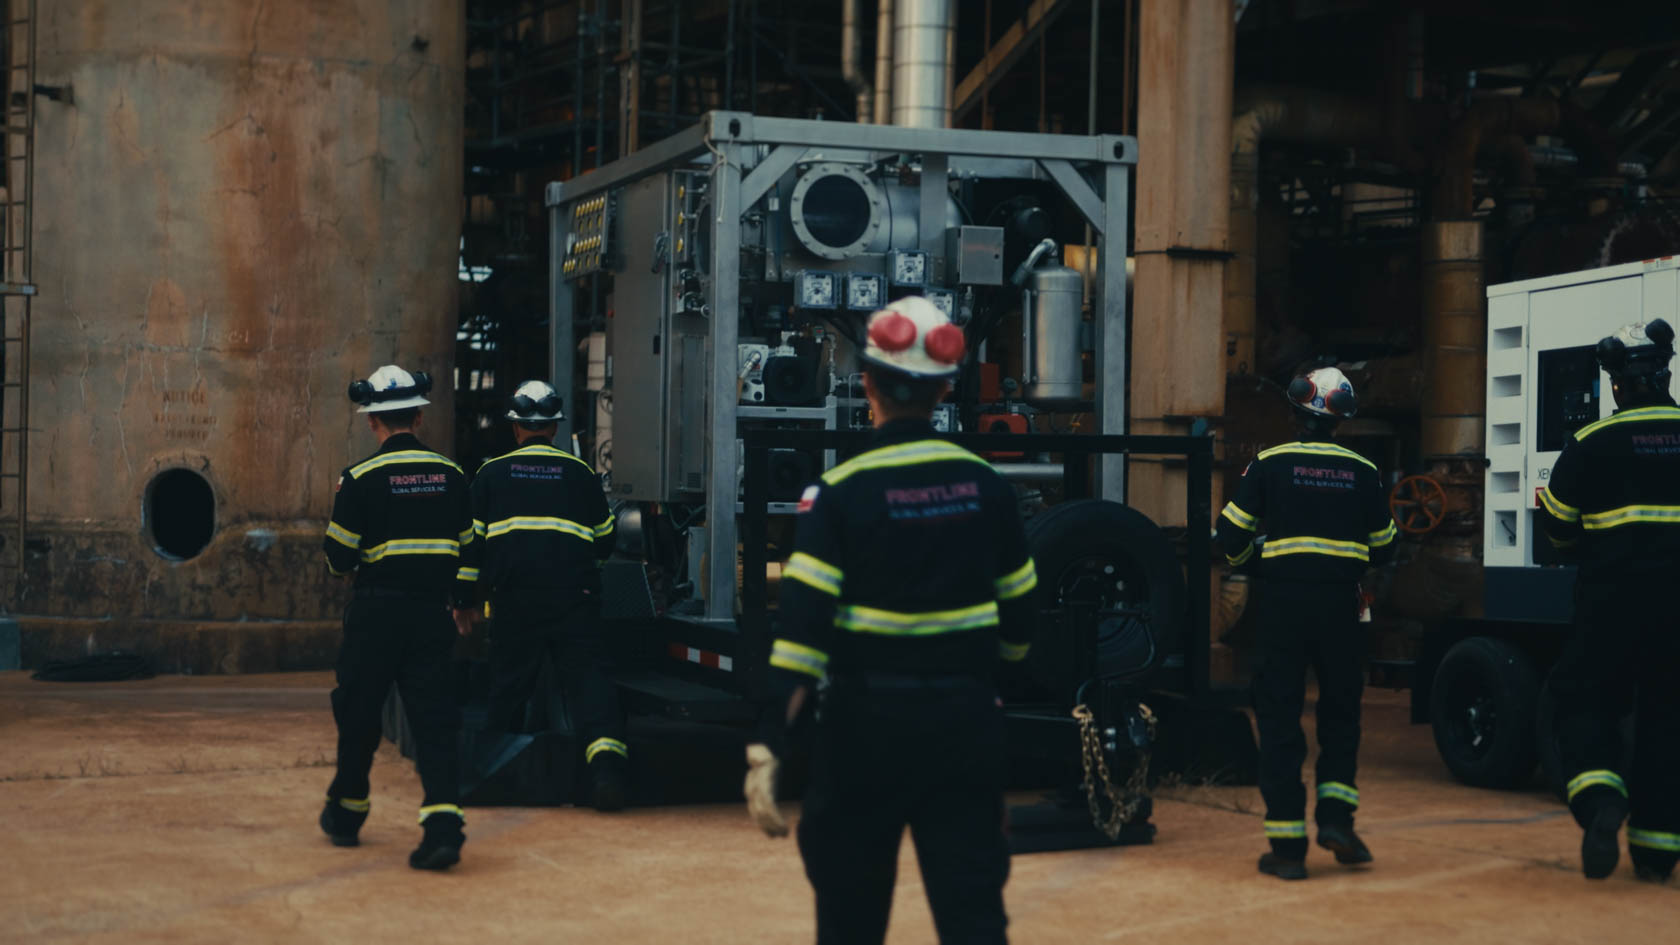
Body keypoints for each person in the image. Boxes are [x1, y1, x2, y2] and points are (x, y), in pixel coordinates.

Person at [744, 296, 1038, 945]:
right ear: (944, 389)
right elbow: (1021, 608)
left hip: (863, 733)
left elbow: (802, 631)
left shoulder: (839, 493)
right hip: (965, 726)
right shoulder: (987, 486)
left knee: (850, 917)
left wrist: (772, 736)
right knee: (973, 916)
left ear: (868, 382)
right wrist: (997, 680)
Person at [1215, 365, 1397, 881]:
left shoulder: (1270, 464)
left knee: (1279, 715)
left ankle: (1288, 848)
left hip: (1283, 605)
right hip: (1344, 605)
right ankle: (1337, 822)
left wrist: (1258, 560)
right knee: (1341, 714)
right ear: (1339, 420)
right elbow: (1385, 546)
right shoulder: (1364, 470)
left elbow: (1230, 534)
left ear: (1297, 412)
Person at [1539, 318, 1680, 883]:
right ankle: (1655, 854)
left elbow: (1556, 528)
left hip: (1611, 602)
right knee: (1669, 721)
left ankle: (1600, 802)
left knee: (1579, 698)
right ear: (1665, 372)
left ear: (1617, 382)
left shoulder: (1592, 442)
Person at [320, 365, 471, 871]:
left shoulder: (360, 479)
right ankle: (444, 826)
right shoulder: (452, 476)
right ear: (419, 417)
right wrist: (463, 601)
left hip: (376, 614)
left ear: (372, 422)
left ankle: (346, 812)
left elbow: (338, 558)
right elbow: (470, 551)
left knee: (359, 712)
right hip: (432, 613)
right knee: (434, 719)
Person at [451, 380, 627, 811]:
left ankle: (492, 777)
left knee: (508, 685)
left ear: (515, 430)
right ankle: (605, 773)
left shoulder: (490, 474)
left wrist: (464, 599)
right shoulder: (581, 473)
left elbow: (471, 547)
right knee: (589, 685)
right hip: (574, 597)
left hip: (516, 599)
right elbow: (605, 540)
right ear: (553, 428)